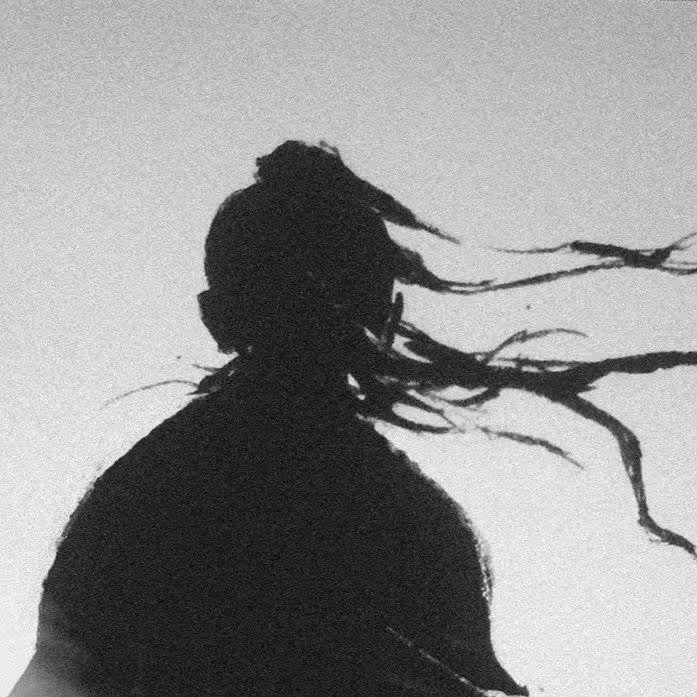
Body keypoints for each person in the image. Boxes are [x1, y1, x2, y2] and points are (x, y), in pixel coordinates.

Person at [9, 141, 527, 696]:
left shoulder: (138, 498)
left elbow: (57, 678)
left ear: (216, 316)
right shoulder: (420, 524)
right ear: (389, 316)